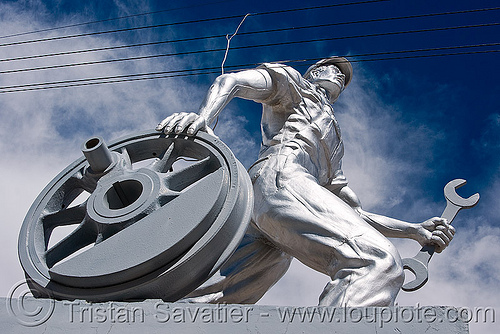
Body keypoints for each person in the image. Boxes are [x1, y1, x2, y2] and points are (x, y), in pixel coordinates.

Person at [156, 57, 455, 306]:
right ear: (314, 72)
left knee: (214, 301)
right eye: (331, 68)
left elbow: (354, 215)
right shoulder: (296, 87)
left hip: (275, 205)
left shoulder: (334, 145)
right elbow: (231, 81)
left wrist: (413, 231)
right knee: (376, 261)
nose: (338, 74)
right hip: (280, 179)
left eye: (343, 75)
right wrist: (205, 118)